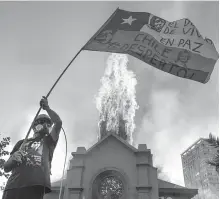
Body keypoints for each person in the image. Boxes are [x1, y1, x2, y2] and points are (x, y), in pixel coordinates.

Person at [2, 97, 62, 199]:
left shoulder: (49, 142)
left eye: (48, 123)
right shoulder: (21, 142)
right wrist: (13, 159)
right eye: (42, 122)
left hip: (35, 187)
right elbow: (6, 167)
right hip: (13, 186)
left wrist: (47, 108)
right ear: (34, 127)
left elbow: (58, 122)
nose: (45, 125)